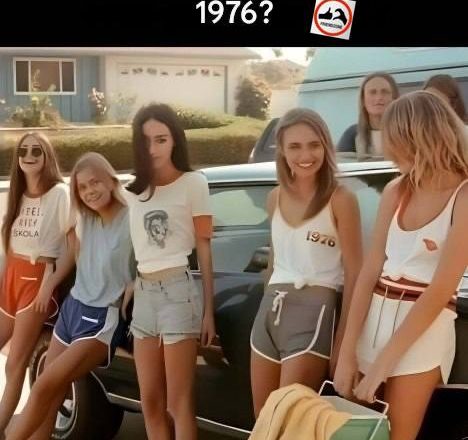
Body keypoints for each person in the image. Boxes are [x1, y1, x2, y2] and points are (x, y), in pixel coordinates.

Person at [334, 91, 468, 440]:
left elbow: (440, 290)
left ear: (419, 138)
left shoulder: (464, 197)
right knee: (355, 433)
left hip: (423, 336)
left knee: (397, 436)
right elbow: (369, 272)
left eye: (395, 143)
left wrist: (384, 363)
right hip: (371, 326)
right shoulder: (396, 190)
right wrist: (347, 351)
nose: (390, 153)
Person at [6, 152, 135, 440]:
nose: (90, 191)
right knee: (49, 394)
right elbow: (67, 250)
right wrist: (48, 282)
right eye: (82, 187)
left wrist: (137, 280)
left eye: (95, 182)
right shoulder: (84, 216)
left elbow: (158, 252)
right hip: (72, 309)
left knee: (43, 387)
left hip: (102, 318)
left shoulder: (133, 216)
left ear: (111, 180)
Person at [250, 108, 362, 418]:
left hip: (315, 314)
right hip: (269, 314)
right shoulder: (274, 198)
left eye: (314, 145)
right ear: (282, 152)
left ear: (326, 145)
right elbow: (273, 263)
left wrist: (344, 343)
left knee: (291, 421)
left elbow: (356, 273)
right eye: (295, 147)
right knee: (264, 422)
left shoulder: (341, 199)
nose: (305, 155)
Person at [124, 103, 216, 440]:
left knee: (179, 404)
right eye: (145, 141)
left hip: (179, 292)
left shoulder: (194, 183)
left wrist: (208, 312)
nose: (153, 149)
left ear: (175, 140)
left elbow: (204, 248)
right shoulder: (132, 192)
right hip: (144, 297)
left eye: (161, 139)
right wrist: (131, 282)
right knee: (150, 402)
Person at [0, 132, 69, 438]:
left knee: (14, 364)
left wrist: (49, 283)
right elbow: (8, 247)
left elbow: (73, 247)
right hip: (11, 277)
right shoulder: (17, 194)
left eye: (36, 151)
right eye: (23, 151)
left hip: (37, 279)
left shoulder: (59, 194)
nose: (29, 156)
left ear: (46, 156)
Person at [337, 72, 399, 159]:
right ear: (363, 99)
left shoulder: (408, 133)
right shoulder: (352, 134)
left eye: (385, 92)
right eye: (372, 92)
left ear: (394, 98)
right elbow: (343, 163)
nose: (379, 97)